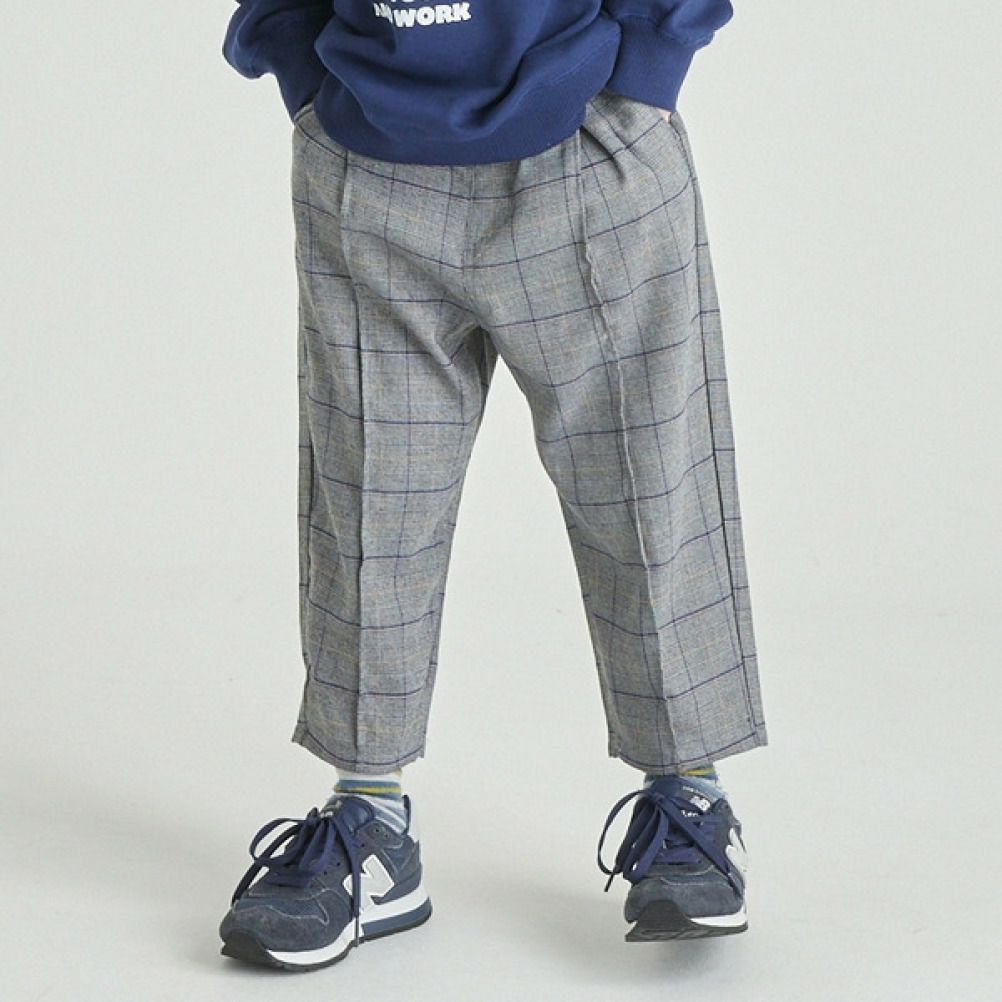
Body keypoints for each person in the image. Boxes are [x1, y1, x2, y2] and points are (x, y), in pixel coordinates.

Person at [217, 0, 769, 971]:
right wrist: (303, 79)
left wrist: (649, 69)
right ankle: (371, 820)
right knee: (370, 497)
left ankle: (690, 795)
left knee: (647, 483)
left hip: (585, 143)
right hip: (367, 157)